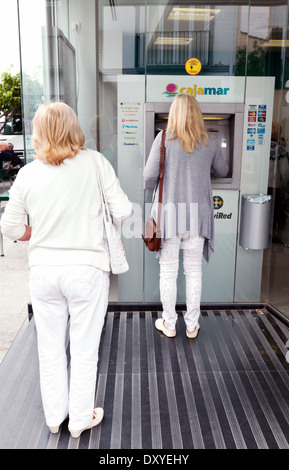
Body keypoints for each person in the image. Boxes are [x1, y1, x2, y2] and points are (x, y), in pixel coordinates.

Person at [0, 102, 132, 438]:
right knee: (85, 349)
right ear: (74, 127)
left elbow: (11, 227)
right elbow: (123, 210)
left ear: (39, 131)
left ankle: (54, 417)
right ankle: (79, 420)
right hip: (87, 269)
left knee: (50, 346)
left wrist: (35, 233)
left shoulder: (28, 173)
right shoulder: (95, 162)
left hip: (44, 270)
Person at [143, 93, 228, 339]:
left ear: (174, 114)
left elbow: (149, 175)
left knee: (168, 272)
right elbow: (222, 171)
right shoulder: (210, 141)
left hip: (170, 217)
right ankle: (192, 326)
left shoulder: (163, 139)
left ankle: (169, 324)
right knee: (193, 272)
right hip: (197, 217)